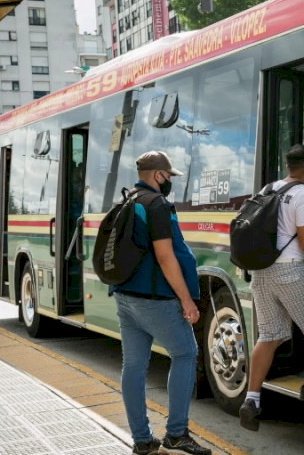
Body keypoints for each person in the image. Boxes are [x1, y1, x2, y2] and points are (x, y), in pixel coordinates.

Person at [111, 151, 211, 455]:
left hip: (126, 296)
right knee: (185, 353)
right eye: (169, 176)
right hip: (155, 299)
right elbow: (166, 258)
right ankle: (176, 434)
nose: (170, 182)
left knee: (134, 366)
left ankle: (142, 440)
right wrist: (187, 300)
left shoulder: (127, 200)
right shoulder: (156, 205)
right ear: (158, 175)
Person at [239, 144, 304, 432]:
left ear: (287, 165)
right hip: (290, 270)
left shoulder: (270, 188)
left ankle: (251, 400)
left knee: (269, 336)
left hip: (261, 272)